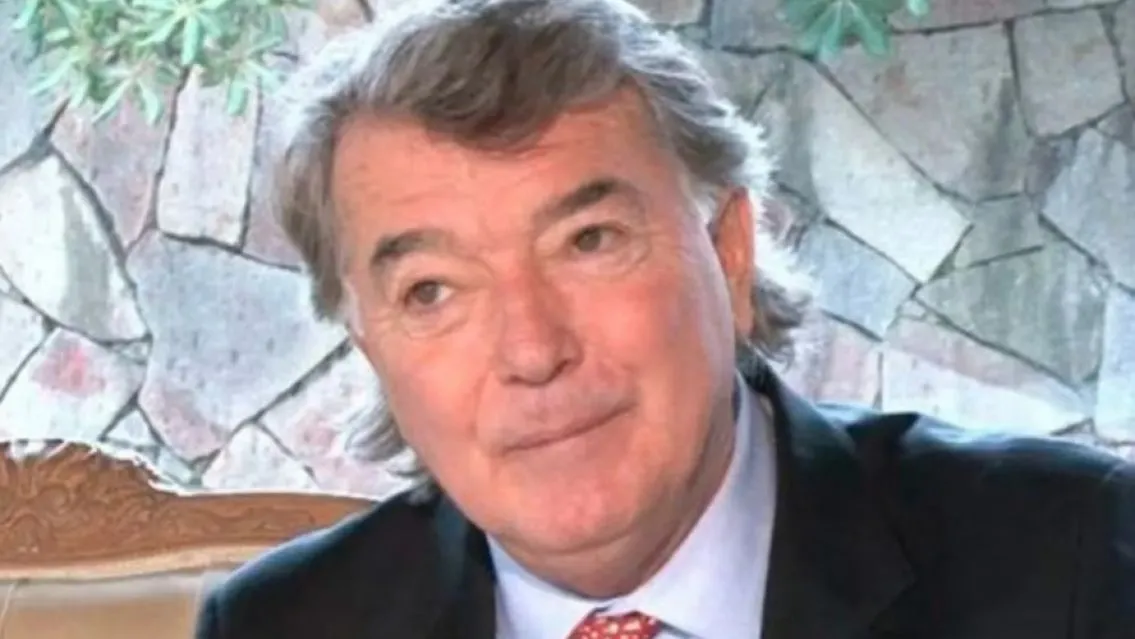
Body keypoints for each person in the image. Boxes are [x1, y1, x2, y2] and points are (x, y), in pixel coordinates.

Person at [194, 0, 1135, 637]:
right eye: (431, 291)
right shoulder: (283, 623)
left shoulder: (1070, 559)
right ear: (370, 349)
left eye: (588, 240)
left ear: (729, 252)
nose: (532, 349)